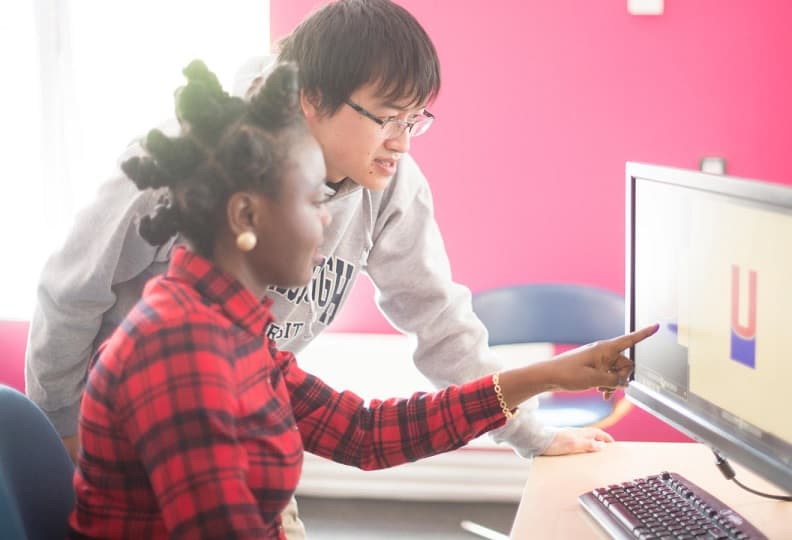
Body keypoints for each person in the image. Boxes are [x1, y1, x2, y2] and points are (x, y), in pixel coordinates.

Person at [26, 0, 627, 536]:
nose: (330, 228)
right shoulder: (182, 353)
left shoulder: (240, 338)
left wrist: (540, 382)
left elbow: (364, 433)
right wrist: (59, 439)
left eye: (414, 119)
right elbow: (69, 296)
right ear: (247, 211)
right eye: (314, 201)